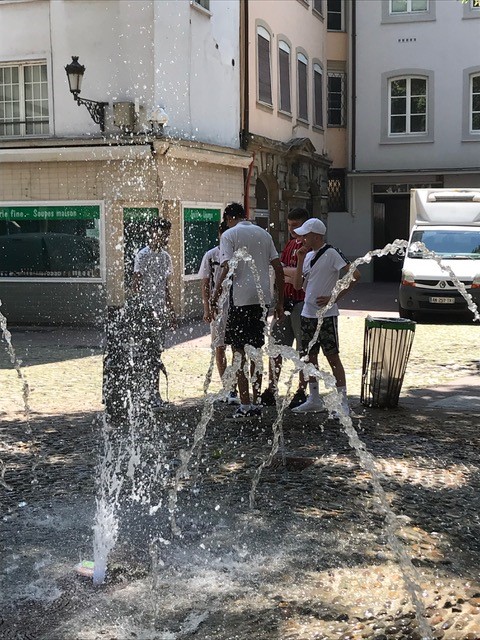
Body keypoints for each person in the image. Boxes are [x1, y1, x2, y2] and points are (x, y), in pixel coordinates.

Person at [211, 202, 285, 420]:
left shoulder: (229, 235)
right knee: (256, 350)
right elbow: (278, 268)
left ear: (229, 218)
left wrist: (215, 297)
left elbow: (227, 268)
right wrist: (280, 300)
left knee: (239, 352)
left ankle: (245, 404)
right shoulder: (264, 234)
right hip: (261, 300)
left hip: (240, 299)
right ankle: (257, 400)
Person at [291, 218, 361, 415]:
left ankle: (343, 402)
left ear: (316, 236)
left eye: (306, 235)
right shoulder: (306, 256)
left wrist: (334, 297)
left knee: (332, 357)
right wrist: (298, 261)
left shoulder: (331, 253)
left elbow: (355, 276)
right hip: (307, 313)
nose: (302, 238)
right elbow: (297, 286)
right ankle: (314, 398)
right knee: (309, 357)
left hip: (326, 315)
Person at [260, 207, 310, 409]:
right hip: (286, 301)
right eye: (289, 225)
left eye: (296, 226)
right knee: (275, 346)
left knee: (303, 349)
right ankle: (272, 388)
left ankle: (302, 390)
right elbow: (280, 272)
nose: (292, 230)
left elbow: (302, 277)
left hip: (302, 302)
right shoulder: (290, 245)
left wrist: (287, 273)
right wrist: (288, 274)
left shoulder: (309, 247)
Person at [132, 218, 176, 409]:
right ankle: (143, 394)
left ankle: (154, 393)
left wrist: (171, 311)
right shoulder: (142, 255)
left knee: (156, 354)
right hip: (145, 313)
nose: (165, 237)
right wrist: (139, 309)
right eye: (162, 233)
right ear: (153, 232)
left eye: (167, 233)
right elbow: (136, 283)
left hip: (159, 312)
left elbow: (165, 287)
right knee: (144, 354)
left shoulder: (166, 257)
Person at [198, 220, 238, 404]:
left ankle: (236, 385)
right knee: (219, 347)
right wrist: (207, 307)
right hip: (218, 308)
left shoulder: (238, 256)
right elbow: (205, 283)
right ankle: (227, 387)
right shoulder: (211, 255)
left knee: (238, 348)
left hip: (237, 306)